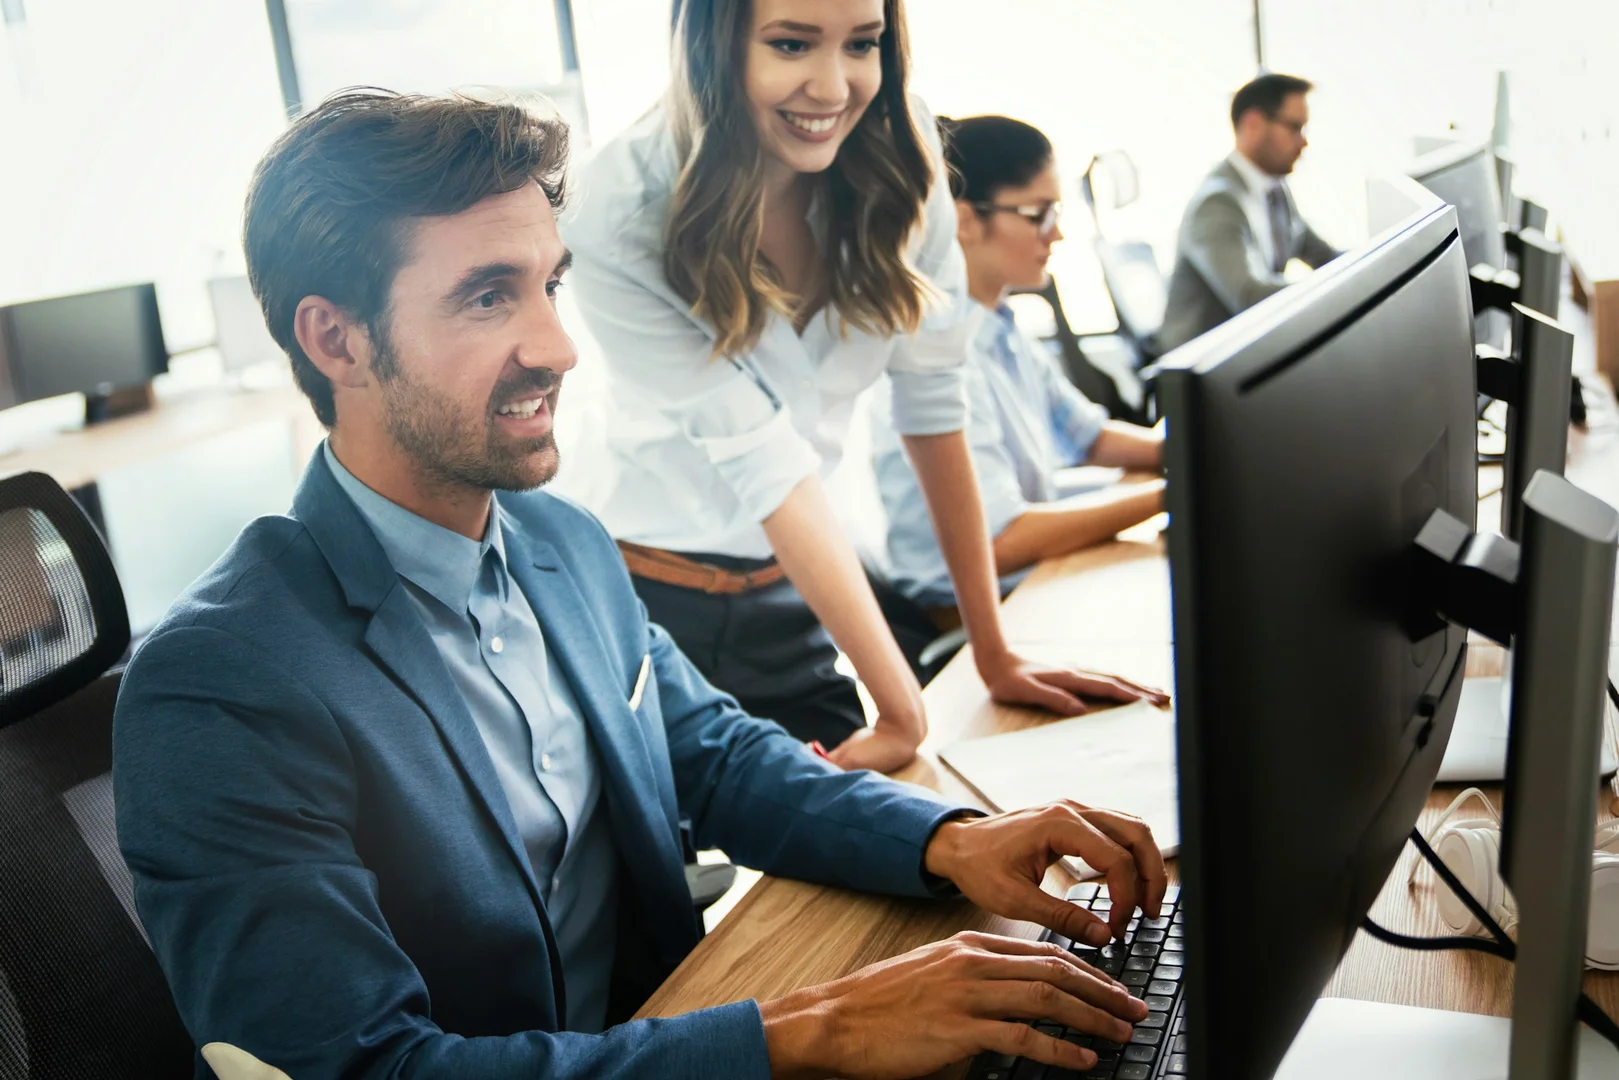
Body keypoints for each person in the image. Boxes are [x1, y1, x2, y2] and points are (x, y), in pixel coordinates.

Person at [112, 88, 1169, 1080]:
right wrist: (815, 1029)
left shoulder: (560, 543)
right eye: (487, 297)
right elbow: (371, 1068)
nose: (559, 347)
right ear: (334, 338)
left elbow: (712, 756)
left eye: (548, 284)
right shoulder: (221, 686)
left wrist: (948, 841)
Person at [556, 0, 1164, 773]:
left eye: (862, 44)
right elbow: (764, 459)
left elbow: (933, 403)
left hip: (794, 584)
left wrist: (993, 653)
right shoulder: (619, 206)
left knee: (891, 816)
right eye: (790, 43)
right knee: (669, 869)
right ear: (711, 45)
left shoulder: (901, 153)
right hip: (641, 595)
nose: (834, 86)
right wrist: (902, 706)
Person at [871, 115, 1167, 615]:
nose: (1057, 236)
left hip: (1026, 581)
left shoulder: (1001, 326)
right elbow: (1001, 541)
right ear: (964, 220)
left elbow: (1087, 437)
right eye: (1039, 213)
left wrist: (1192, 447)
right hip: (973, 612)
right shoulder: (938, 354)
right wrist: (1170, 494)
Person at [1155, 73, 1341, 354]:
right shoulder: (1217, 203)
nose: (1303, 143)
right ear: (1253, 123)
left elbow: (1323, 255)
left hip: (1248, 354)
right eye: (1294, 128)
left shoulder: (1275, 191)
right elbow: (1250, 295)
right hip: (1206, 371)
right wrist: (1335, 294)